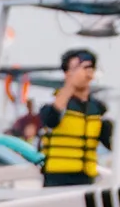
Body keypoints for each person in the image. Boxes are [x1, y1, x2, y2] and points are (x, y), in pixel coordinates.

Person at [37, 48, 114, 188]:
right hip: (56, 179)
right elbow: (51, 119)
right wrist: (70, 85)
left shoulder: (98, 109)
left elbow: (111, 142)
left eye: (88, 68)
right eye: (76, 68)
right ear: (66, 73)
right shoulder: (55, 102)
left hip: (86, 179)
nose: (83, 72)